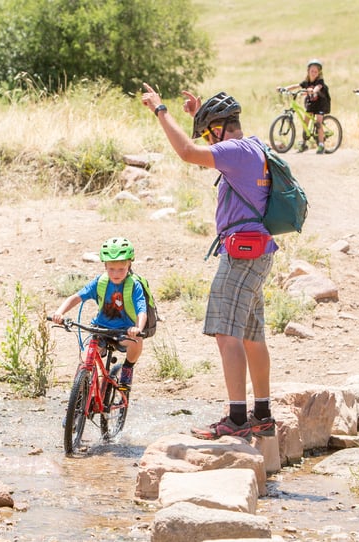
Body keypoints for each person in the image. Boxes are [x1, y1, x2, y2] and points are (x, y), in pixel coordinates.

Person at [139, 83, 277, 441]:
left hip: (241, 255)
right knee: (251, 334)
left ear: (219, 129)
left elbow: (187, 152)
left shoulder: (235, 151)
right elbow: (209, 150)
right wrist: (199, 118)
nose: (209, 139)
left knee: (225, 334)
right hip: (260, 253)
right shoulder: (254, 147)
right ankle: (261, 414)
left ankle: (236, 418)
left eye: (209, 131)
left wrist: (160, 110)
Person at [51, 236, 146, 393]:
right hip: (99, 328)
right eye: (111, 269)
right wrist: (59, 312)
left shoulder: (133, 286)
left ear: (129, 265)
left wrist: (137, 328)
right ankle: (82, 394)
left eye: (121, 269)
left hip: (124, 330)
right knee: (86, 357)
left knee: (137, 341)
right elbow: (76, 297)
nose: (116, 273)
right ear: (105, 266)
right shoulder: (100, 282)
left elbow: (141, 311)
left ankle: (127, 370)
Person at [278, 58, 331, 154]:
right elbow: (296, 86)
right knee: (305, 122)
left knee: (318, 123)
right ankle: (304, 143)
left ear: (319, 73)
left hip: (321, 104)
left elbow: (317, 88)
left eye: (316, 71)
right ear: (308, 71)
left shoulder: (320, 81)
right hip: (311, 103)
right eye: (312, 71)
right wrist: (284, 88)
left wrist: (313, 91)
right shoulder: (306, 82)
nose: (313, 73)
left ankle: (321, 145)